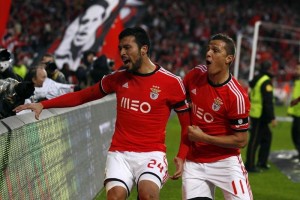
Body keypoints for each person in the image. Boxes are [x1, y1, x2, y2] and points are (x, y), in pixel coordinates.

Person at [14, 27, 190, 199]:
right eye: (120, 48)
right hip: (120, 153)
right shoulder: (117, 78)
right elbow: (84, 96)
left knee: (148, 194)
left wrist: (182, 156)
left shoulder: (172, 82)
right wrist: (43, 105)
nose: (122, 53)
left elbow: (186, 126)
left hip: (152, 153)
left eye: (127, 47)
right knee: (115, 196)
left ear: (144, 49)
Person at [182, 33, 253, 200]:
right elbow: (177, 96)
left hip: (226, 163)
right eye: (208, 49)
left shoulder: (236, 96)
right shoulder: (195, 75)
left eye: (215, 50)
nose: (208, 53)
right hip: (195, 162)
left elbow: (241, 140)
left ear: (229, 58)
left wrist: (204, 137)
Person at [245, 61, 277, 172]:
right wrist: (272, 117)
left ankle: (262, 162)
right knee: (255, 140)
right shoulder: (266, 81)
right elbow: (268, 101)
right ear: (268, 69)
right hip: (260, 115)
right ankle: (250, 165)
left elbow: (251, 95)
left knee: (267, 137)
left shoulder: (257, 79)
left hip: (256, 113)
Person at [287, 63, 300, 161]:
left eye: (298, 69)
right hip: (297, 112)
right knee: (295, 133)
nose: (296, 71)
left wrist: (297, 100)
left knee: (296, 133)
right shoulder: (297, 80)